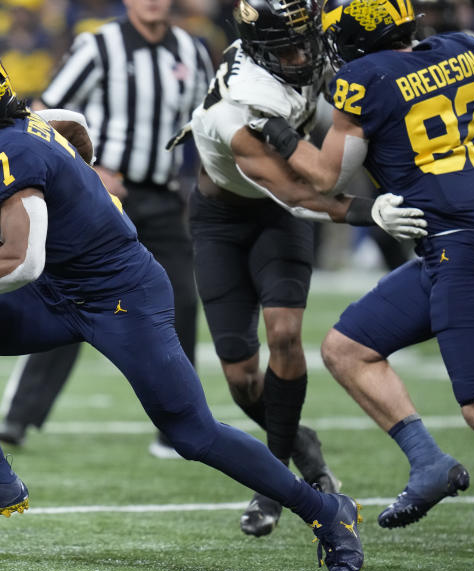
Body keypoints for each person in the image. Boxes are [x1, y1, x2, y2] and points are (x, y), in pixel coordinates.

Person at [0, 46, 363, 571]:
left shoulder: (1, 154)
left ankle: (330, 513)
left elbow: (24, 262)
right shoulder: (14, 129)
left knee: (192, 434)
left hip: (122, 298)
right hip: (65, 291)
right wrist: (83, 177)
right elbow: (70, 125)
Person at [255, 0, 474, 565]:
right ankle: (428, 462)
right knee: (347, 348)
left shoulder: (362, 79)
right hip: (447, 242)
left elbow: (327, 174)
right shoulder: (462, 52)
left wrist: (277, 136)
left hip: (465, 249)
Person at [182, 0, 426, 537]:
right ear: (258, 49)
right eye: (285, 47)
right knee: (242, 378)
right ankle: (304, 450)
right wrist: (370, 212)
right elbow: (296, 192)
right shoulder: (239, 106)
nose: (300, 55)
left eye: (304, 41)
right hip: (225, 220)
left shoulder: (313, 59)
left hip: (277, 218)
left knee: (286, 335)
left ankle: (272, 483)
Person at [0, 0, 213, 458]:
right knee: (74, 300)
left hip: (163, 196)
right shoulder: (99, 46)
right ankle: (19, 414)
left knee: (182, 303)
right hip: (103, 196)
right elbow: (42, 114)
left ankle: (181, 425)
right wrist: (88, 169)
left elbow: (207, 124)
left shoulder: (193, 52)